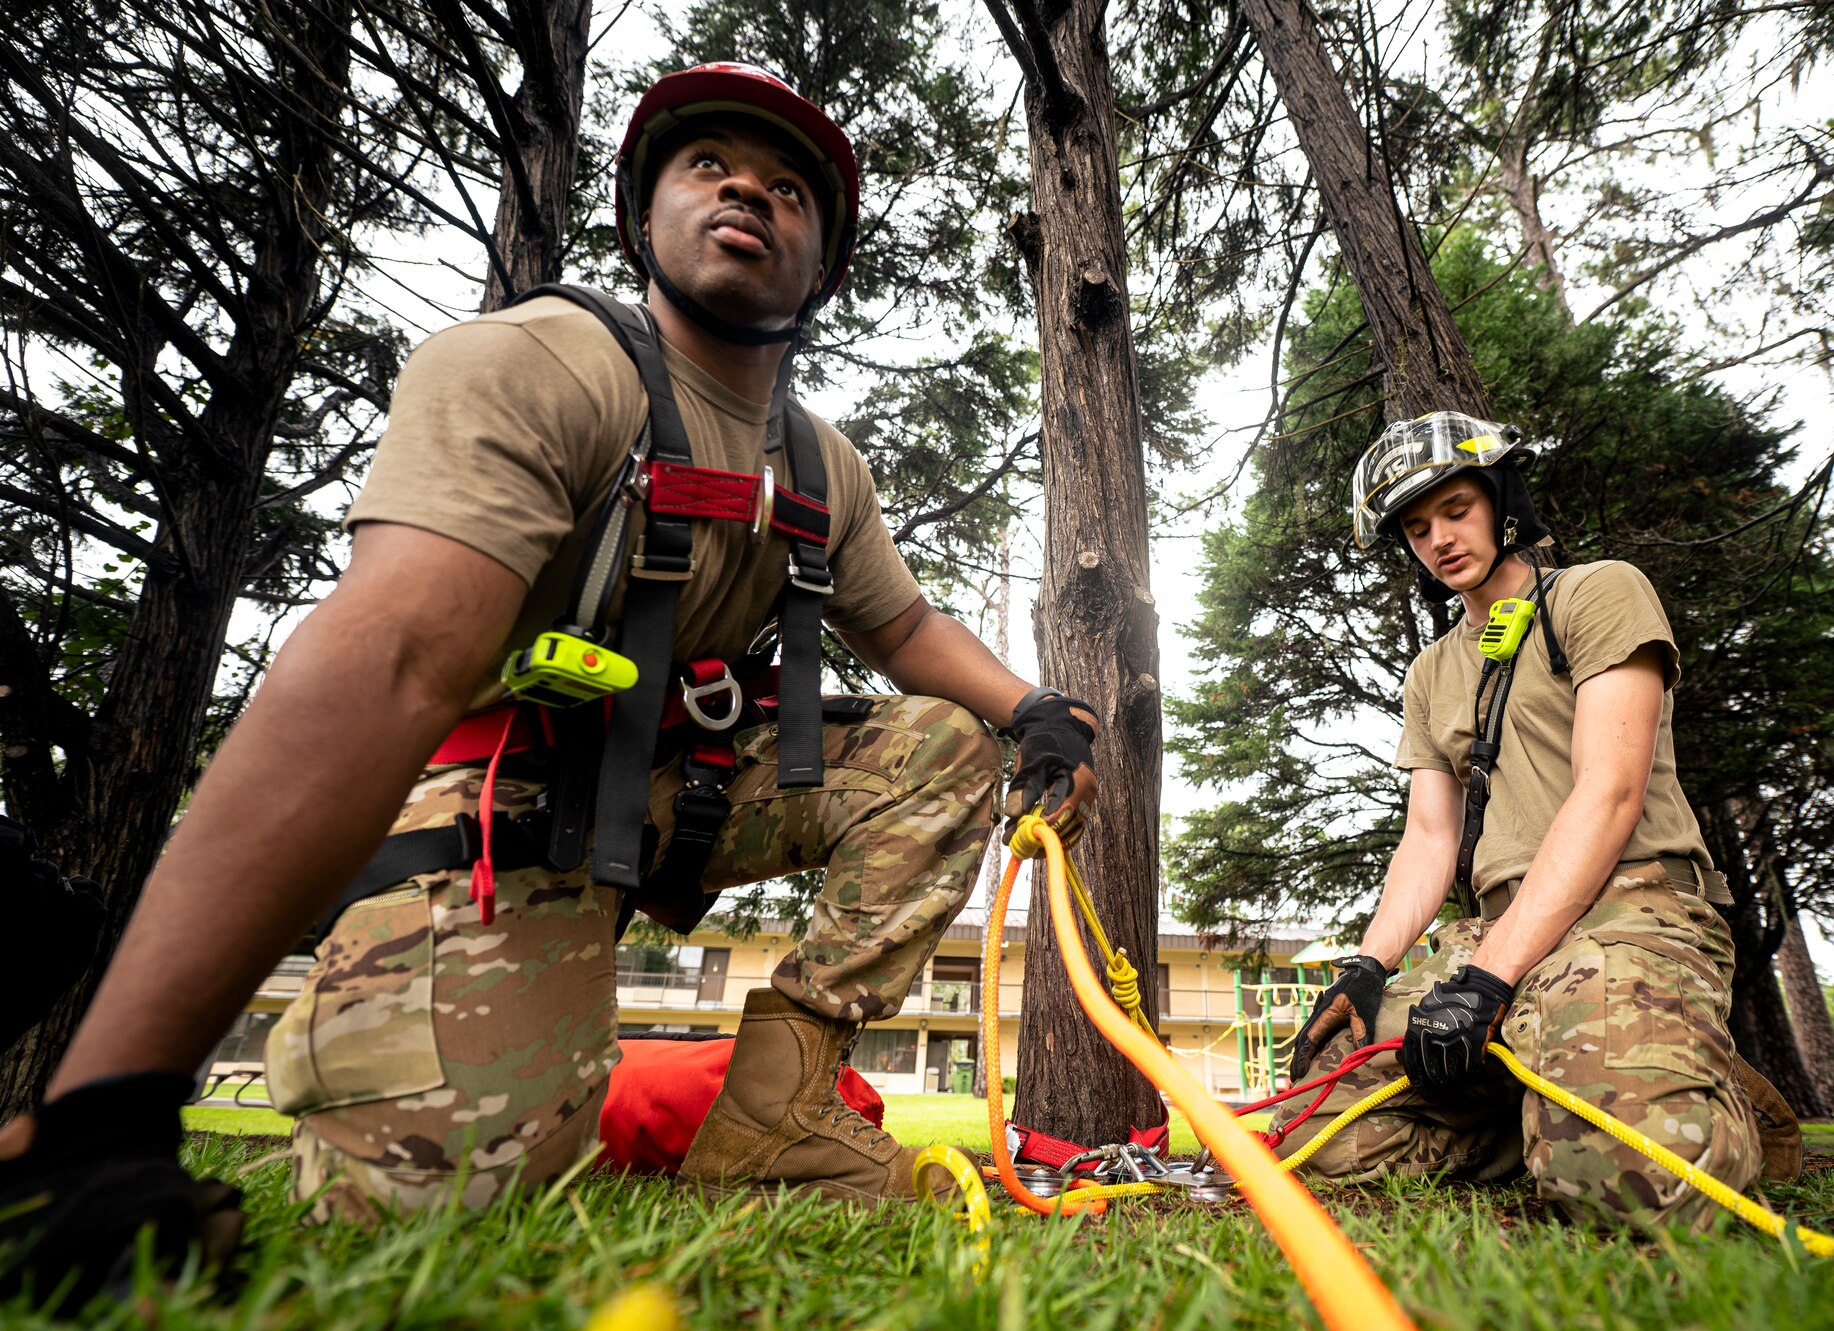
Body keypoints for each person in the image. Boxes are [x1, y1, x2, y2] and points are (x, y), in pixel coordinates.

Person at [0, 62, 1099, 1300]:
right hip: (494, 808)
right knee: (440, 1204)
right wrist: (118, 1094)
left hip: (678, 797)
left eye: (790, 188)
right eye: (708, 166)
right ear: (642, 217)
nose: (748, 188)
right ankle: (364, 1048)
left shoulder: (820, 466)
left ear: (821, 263)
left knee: (940, 742)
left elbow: (900, 625)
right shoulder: (541, 364)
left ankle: (776, 1112)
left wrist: (1035, 712)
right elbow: (398, 656)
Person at [1285, 411, 1787, 1231]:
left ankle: (1672, 1093)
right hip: (1491, 936)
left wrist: (1487, 982)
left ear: (1502, 497)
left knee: (1637, 1184)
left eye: (1455, 509)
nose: (1439, 539)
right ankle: (1543, 1108)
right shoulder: (1431, 670)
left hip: (1631, 914)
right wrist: (1366, 967)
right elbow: (1429, 837)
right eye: (1416, 529)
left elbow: (1610, 792)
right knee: (1306, 1133)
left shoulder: (1599, 591)